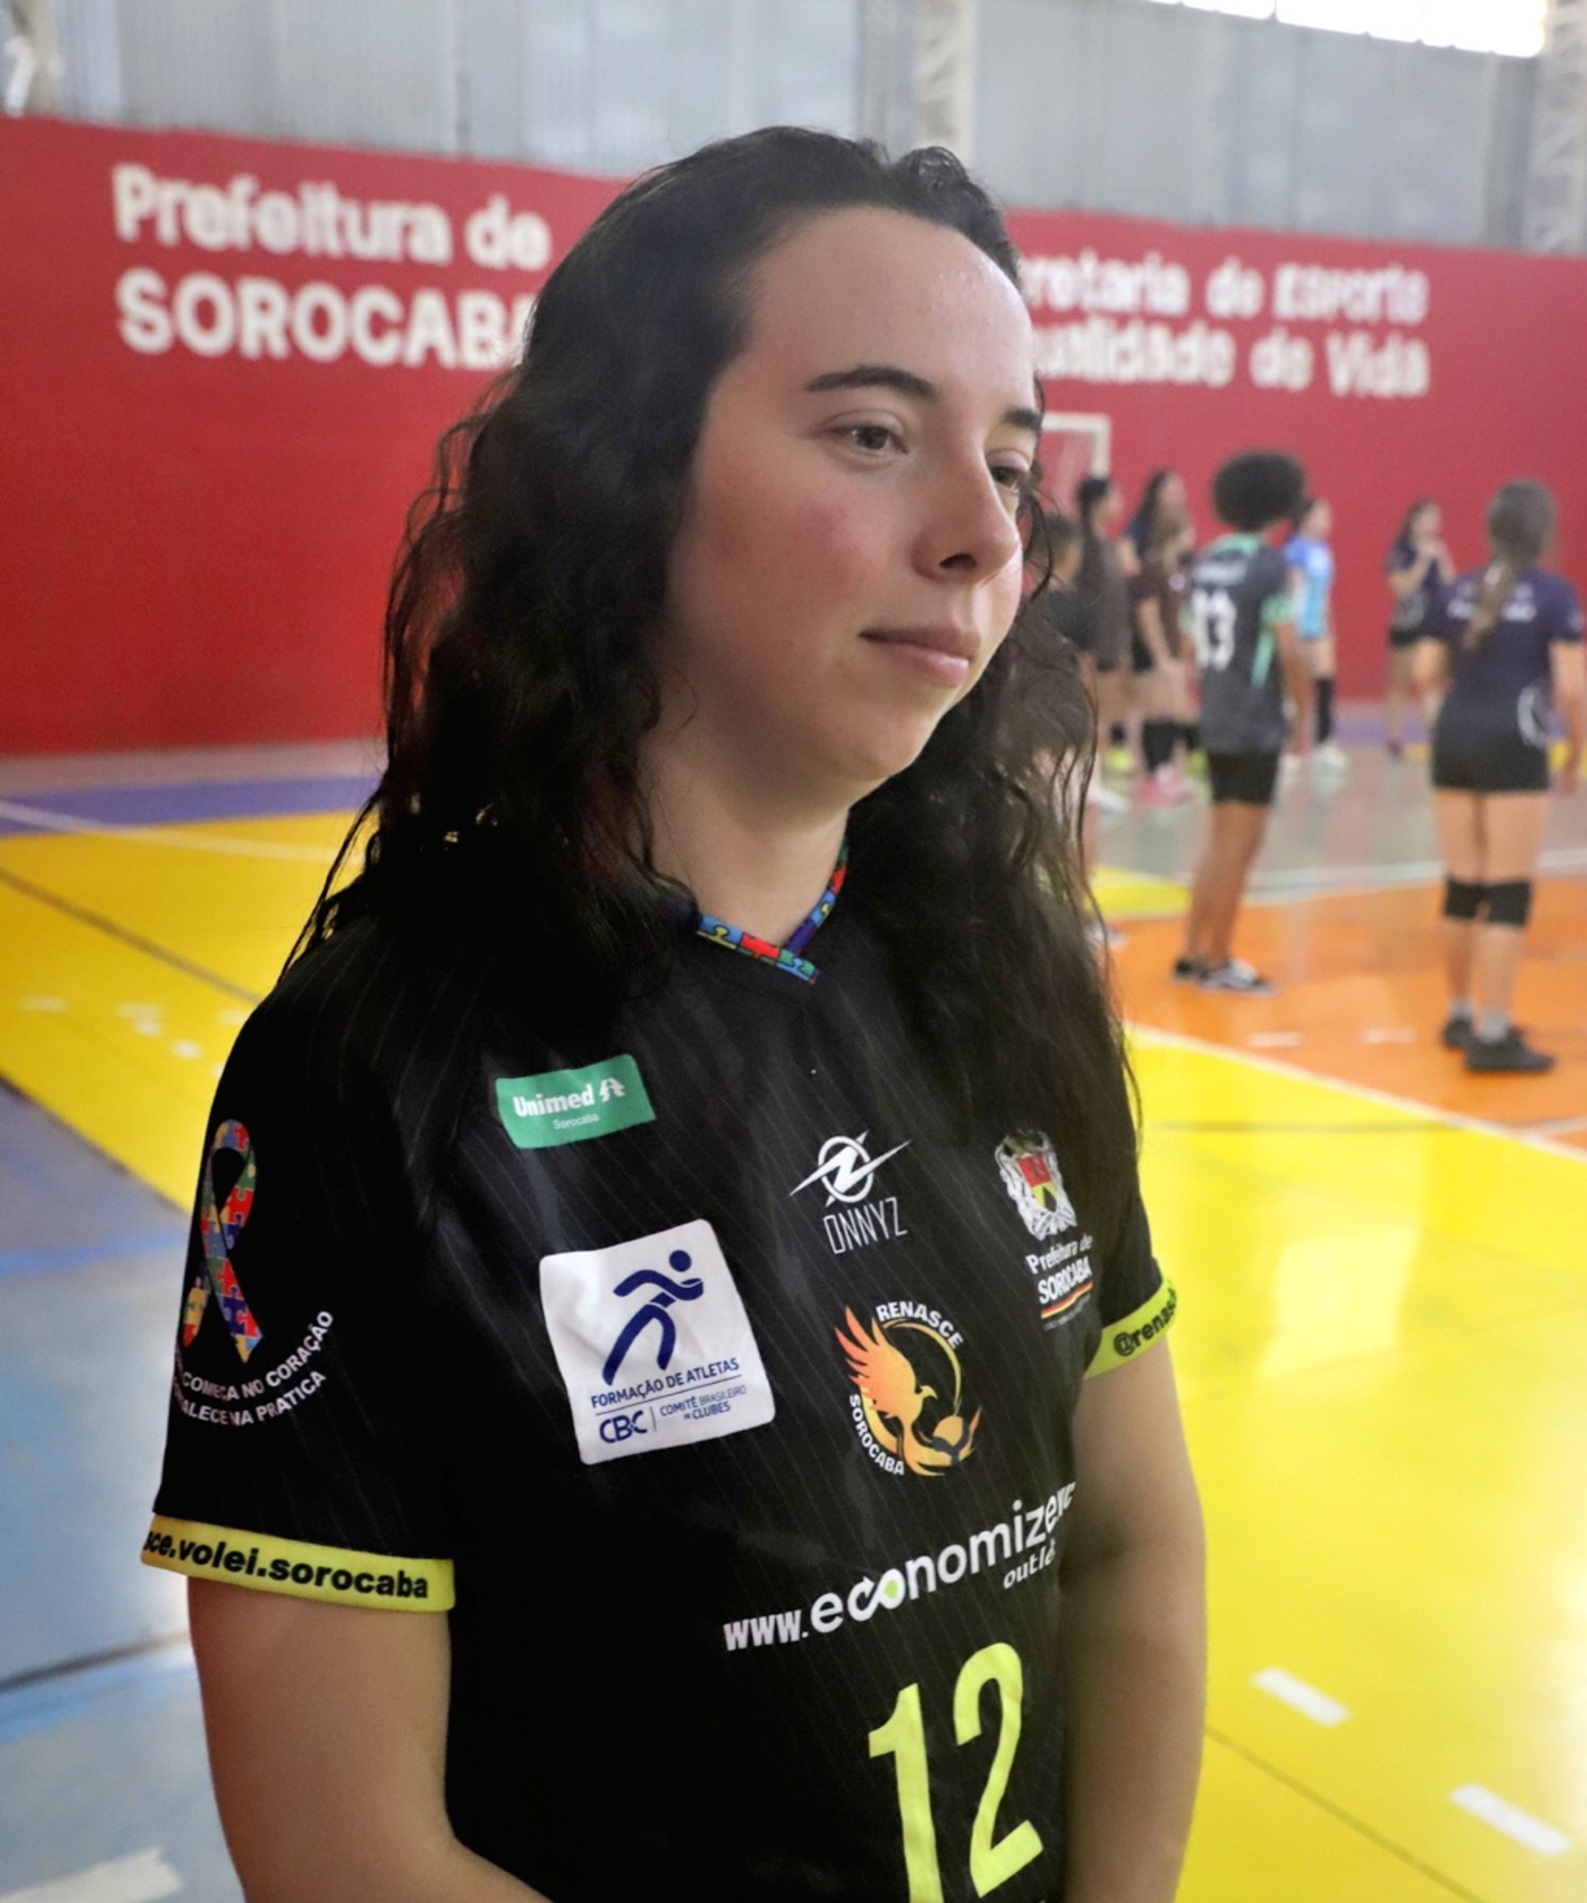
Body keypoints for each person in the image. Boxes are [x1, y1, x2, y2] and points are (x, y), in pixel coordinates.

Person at [141, 129, 1204, 1902]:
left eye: (1011, 464)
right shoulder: (373, 1068)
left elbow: (1131, 1548)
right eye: (872, 434)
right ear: (627, 474)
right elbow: (343, 1850)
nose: (984, 533)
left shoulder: (1000, 965)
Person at [1414, 480, 1584, 1072]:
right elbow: (1571, 689)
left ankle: (1460, 1015)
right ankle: (1493, 1034)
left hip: (1454, 735)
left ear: (1490, 531)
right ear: (1543, 533)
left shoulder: (1457, 589)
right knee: (1509, 889)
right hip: (1515, 739)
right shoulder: (1554, 594)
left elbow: (1425, 671)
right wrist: (1575, 753)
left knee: (1464, 884)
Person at [1175, 451, 1309, 994]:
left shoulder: (1206, 561)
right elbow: (1290, 650)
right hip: (1255, 720)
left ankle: (1191, 952)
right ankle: (1219, 960)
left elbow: (1189, 649)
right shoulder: (1270, 566)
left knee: (1219, 839)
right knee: (1240, 845)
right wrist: (1304, 717)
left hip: (1215, 714)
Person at [1129, 505, 1196, 805]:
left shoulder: (1174, 572)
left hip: (1172, 654)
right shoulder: (1151, 570)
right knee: (1155, 712)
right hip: (1153, 655)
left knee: (1170, 711)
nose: (1191, 537)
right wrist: (1160, 656)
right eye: (1187, 530)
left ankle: (1166, 771)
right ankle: (1154, 775)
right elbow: (1148, 614)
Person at [1075, 472, 1137, 779]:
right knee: (1088, 707)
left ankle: (1103, 771)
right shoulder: (1081, 544)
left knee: (1110, 708)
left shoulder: (1113, 545)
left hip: (1112, 641)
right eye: (1115, 496)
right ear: (1098, 502)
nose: (1120, 503)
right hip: (1087, 643)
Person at [1384, 498, 1454, 756]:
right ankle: (1394, 737)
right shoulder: (1401, 551)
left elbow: (1450, 584)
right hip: (1407, 623)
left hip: (1433, 624)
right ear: (1413, 522)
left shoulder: (1438, 550)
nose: (1430, 525)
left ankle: (1436, 737)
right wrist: (1423, 560)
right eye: (1425, 519)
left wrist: (1441, 558)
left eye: (1435, 520)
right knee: (1400, 682)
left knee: (1430, 682)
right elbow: (1401, 587)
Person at [1284, 496, 1347, 775]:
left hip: (1319, 628)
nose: (1327, 521)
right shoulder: (1295, 550)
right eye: (1321, 515)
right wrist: (1294, 630)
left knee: (1324, 683)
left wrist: (1329, 626)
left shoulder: (1323, 550)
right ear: (1306, 518)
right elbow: (1293, 591)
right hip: (1300, 628)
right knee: (1293, 691)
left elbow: (1324, 594)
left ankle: (1325, 744)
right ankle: (1291, 745)